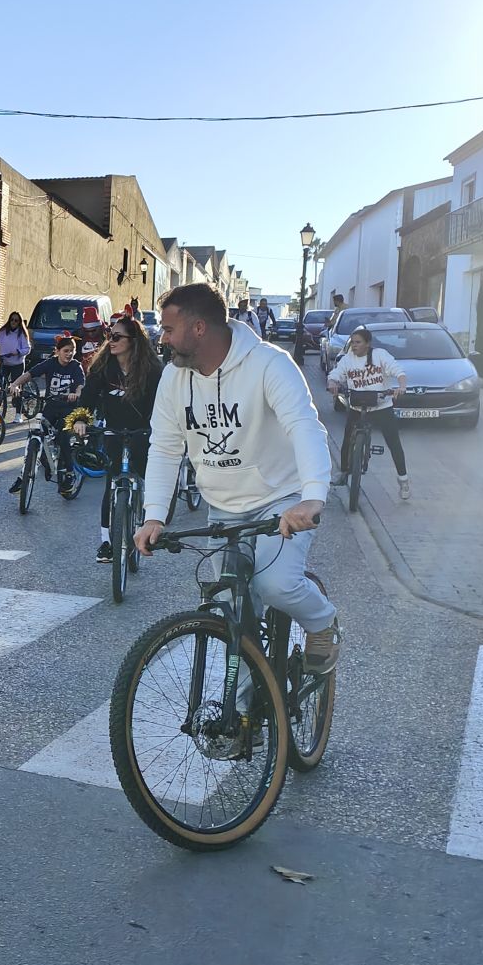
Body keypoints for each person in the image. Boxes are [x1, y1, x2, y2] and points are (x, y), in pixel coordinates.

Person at [138, 283, 339, 680]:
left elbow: (304, 427)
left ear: (198, 329)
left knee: (276, 585)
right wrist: (154, 516)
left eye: (169, 329)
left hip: (281, 499)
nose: (163, 339)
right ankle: (242, 721)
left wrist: (313, 497)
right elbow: (163, 447)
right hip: (223, 509)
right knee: (237, 620)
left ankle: (322, 623)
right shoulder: (174, 380)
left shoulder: (270, 365)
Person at [81, 314, 163, 562]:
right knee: (112, 482)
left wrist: (163, 430)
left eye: (117, 337)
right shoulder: (103, 368)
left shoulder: (152, 370)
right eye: (110, 336)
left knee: (148, 477)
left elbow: (163, 405)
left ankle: (145, 523)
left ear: (133, 340)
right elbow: (88, 399)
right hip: (113, 431)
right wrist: (81, 420)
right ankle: (106, 541)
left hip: (143, 432)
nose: (111, 341)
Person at [325, 325, 410, 500]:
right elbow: (336, 374)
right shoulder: (348, 359)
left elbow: (398, 371)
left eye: (358, 342)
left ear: (368, 344)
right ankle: (344, 472)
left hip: (381, 406)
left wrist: (401, 386)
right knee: (348, 440)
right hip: (357, 406)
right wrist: (333, 383)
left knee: (393, 442)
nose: (354, 346)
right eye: (352, 343)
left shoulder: (380, 355)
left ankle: (403, 480)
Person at [6, 333, 87, 494]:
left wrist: (76, 394)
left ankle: (70, 473)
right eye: (66, 350)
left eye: (72, 350)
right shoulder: (50, 364)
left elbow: (80, 384)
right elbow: (29, 374)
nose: (69, 354)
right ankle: (24, 476)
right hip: (51, 405)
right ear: (57, 351)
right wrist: (15, 384)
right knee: (36, 434)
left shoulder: (75, 366)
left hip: (68, 408)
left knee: (63, 437)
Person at [0, 310, 32, 377]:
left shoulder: (22, 334)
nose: (13, 322)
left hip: (17, 364)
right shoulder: (3, 332)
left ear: (19, 322)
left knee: (15, 385)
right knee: (1, 383)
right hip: (4, 363)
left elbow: (27, 349)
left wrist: (18, 352)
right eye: (12, 319)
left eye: (16, 320)